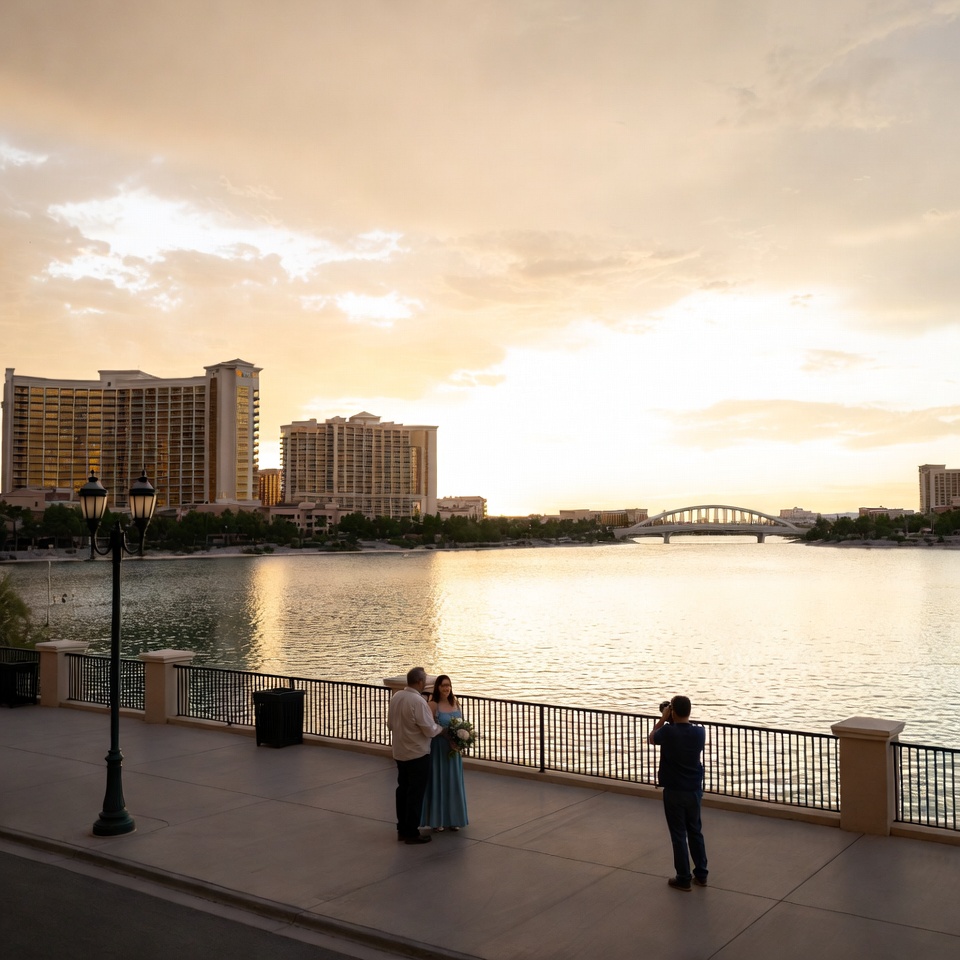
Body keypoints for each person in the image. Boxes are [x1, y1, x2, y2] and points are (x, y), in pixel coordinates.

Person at [647, 695, 708, 892]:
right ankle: (701, 874)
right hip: (694, 790)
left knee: (678, 834)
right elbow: (686, 727)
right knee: (695, 831)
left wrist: (664, 718)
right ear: (689, 711)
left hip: (674, 790)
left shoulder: (668, 731)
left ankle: (683, 877)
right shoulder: (700, 733)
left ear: (672, 711)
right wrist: (672, 716)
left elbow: (651, 738)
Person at [387, 666, 443, 844]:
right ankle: (411, 832)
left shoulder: (396, 697)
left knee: (402, 790)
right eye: (425, 680)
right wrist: (440, 728)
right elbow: (429, 729)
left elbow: (390, 724)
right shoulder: (418, 702)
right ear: (420, 682)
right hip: (417, 754)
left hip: (399, 752)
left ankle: (402, 829)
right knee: (415, 794)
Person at [420, 674, 469, 832]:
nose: (446, 688)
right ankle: (437, 820)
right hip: (439, 748)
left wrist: (461, 740)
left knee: (453, 782)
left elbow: (461, 724)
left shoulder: (455, 703)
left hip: (453, 750)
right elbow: (428, 726)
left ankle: (453, 819)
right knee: (438, 781)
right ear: (437, 687)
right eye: (443, 685)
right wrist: (445, 734)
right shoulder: (432, 705)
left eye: (448, 685)